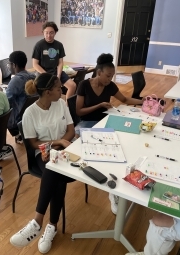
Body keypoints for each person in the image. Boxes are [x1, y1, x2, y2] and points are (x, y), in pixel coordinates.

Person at [10, 73, 75, 254]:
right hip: (43, 153)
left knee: (56, 171)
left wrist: (62, 143)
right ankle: (50, 225)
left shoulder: (61, 104)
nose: (61, 90)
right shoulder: (30, 112)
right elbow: (32, 143)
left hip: (64, 151)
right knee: (55, 172)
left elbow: (71, 130)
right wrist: (57, 143)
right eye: (57, 88)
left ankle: (38, 222)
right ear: (47, 92)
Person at [75, 53, 144, 214]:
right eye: (107, 76)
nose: (109, 79)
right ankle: (113, 191)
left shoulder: (110, 86)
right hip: (87, 123)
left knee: (120, 146)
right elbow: (79, 111)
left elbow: (125, 100)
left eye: (112, 76)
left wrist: (145, 101)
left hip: (106, 122)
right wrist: (99, 105)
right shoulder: (84, 85)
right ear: (99, 72)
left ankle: (114, 189)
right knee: (108, 150)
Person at [0, 51, 36, 161]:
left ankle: (2, 149)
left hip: (16, 118)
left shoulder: (16, 80)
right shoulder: (32, 76)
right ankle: (20, 134)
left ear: (14, 65)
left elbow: (6, 101)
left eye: (9, 64)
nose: (8, 66)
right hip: (28, 114)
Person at [32, 21, 76, 100]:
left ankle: (66, 107)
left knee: (72, 85)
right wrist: (47, 75)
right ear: (43, 33)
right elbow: (35, 64)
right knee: (50, 92)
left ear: (55, 33)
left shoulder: (59, 45)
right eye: (46, 33)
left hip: (56, 71)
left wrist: (58, 76)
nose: (49, 35)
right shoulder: (39, 45)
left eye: (51, 33)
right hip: (43, 74)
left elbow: (60, 63)